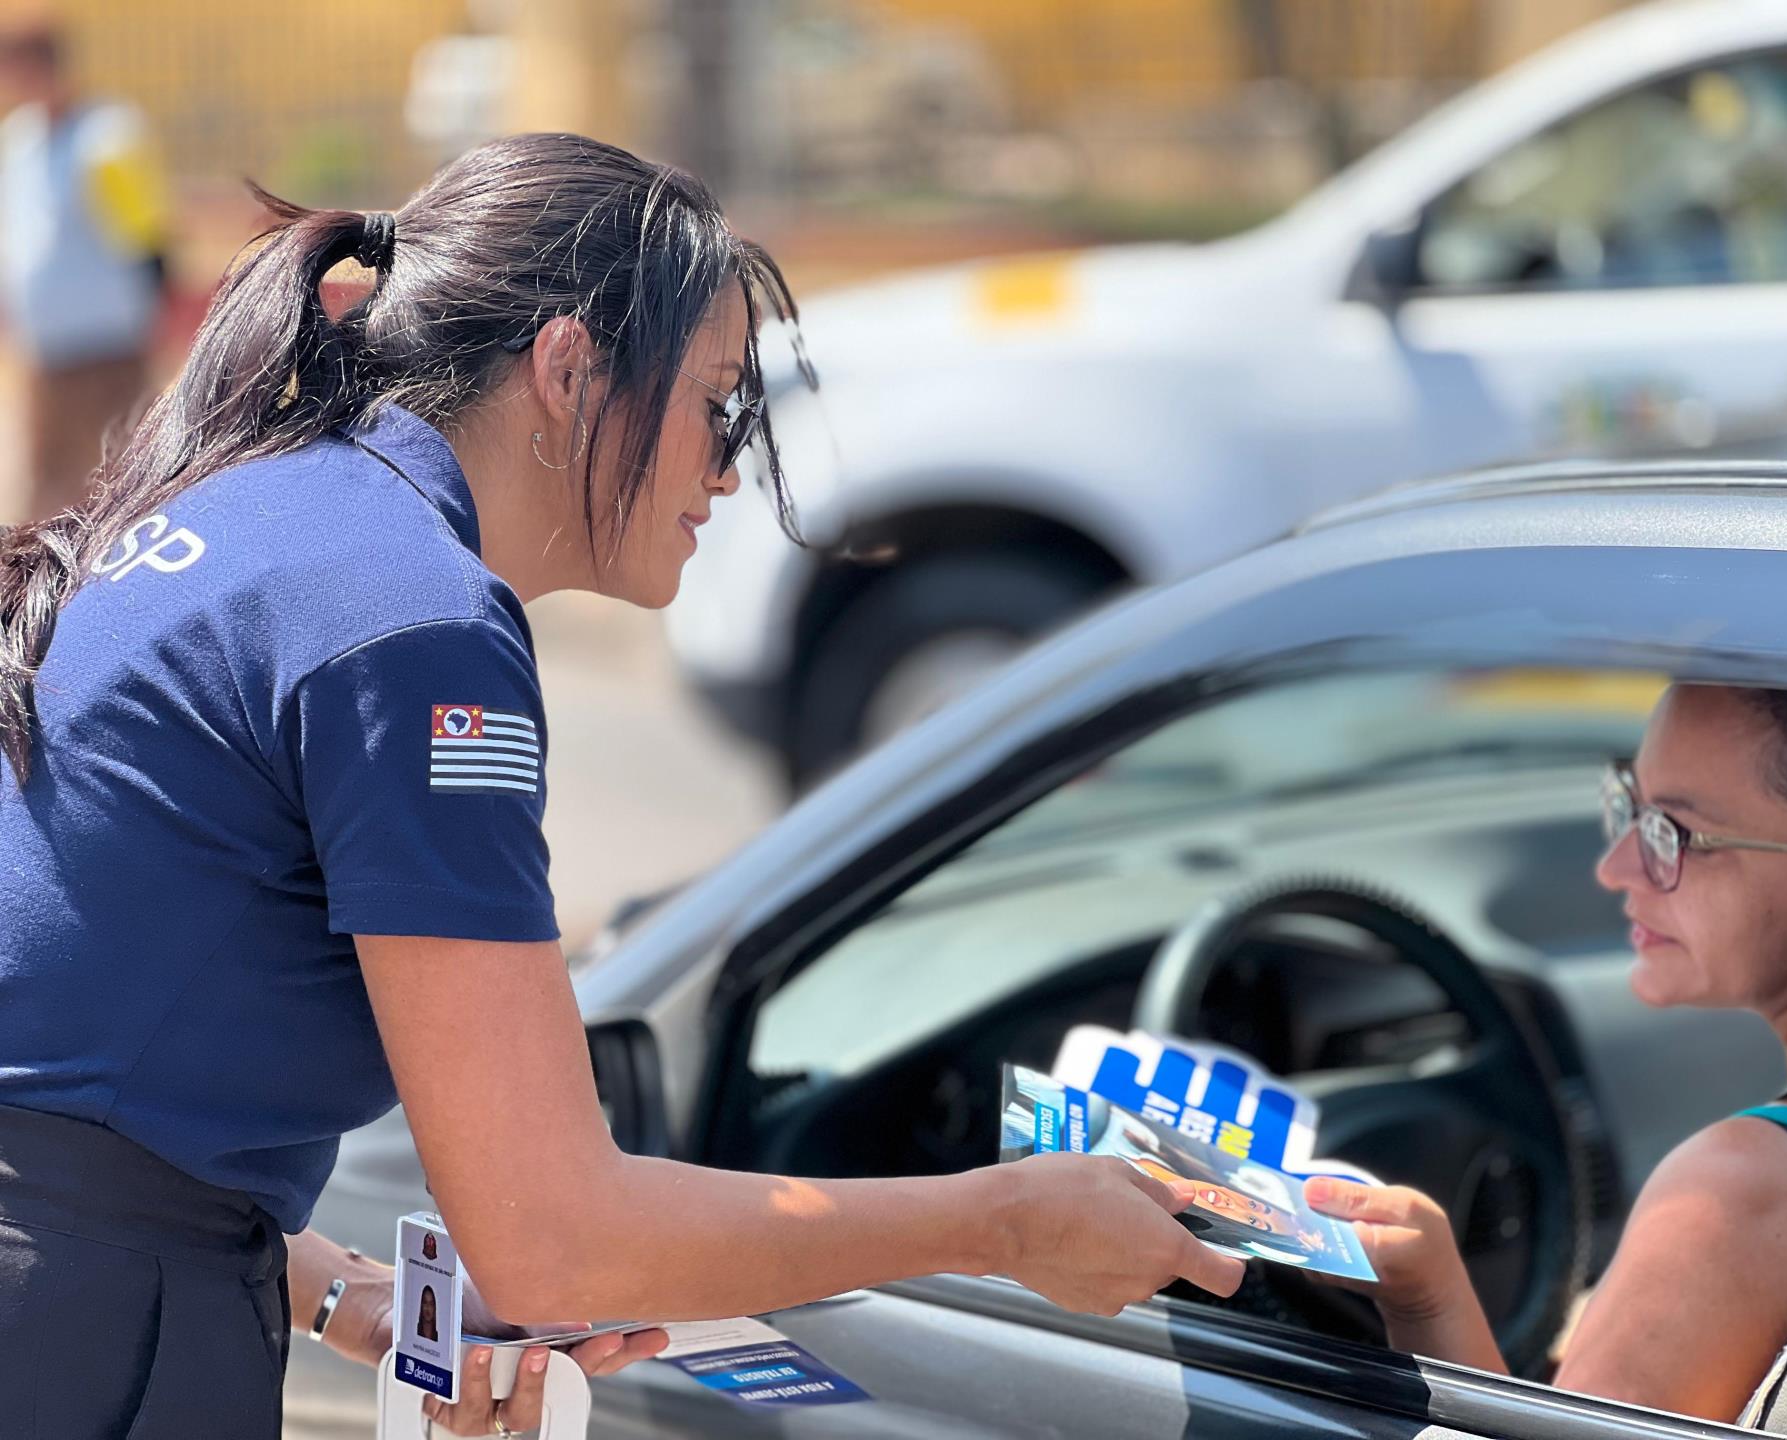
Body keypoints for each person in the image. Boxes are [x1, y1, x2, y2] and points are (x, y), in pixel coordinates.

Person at [0, 133, 1242, 1439]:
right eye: (719, 406)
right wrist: (1005, 1221)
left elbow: (62, 1048)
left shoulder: (265, 513)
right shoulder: (412, 619)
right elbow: (552, 1243)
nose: (727, 470)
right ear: (569, 370)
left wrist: (333, 1289)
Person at [1304, 683, 1787, 1425]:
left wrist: (1426, 1296)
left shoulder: (1737, 1193)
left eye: (1677, 833)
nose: (1617, 866)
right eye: (1629, 802)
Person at [0, 19, 167, 521]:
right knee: (47, 491)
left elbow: (148, 235)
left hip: (106, 347)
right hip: (45, 352)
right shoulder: (18, 140)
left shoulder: (108, 135)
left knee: (123, 482)